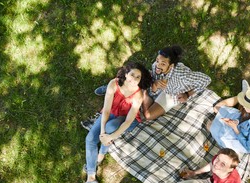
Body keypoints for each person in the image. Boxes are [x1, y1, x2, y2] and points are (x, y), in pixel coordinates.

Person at [81, 45, 211, 129]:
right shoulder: (156, 66)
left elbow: (206, 80)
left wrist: (188, 94)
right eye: (158, 60)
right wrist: (153, 87)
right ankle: (114, 87)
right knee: (135, 86)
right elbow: (152, 79)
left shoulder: (182, 75)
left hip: (171, 94)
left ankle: (112, 122)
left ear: (171, 66)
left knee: (147, 115)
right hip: (155, 87)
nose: (158, 65)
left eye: (163, 63)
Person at [76, 62, 152, 183]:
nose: (133, 79)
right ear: (126, 73)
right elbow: (105, 110)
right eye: (132, 74)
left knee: (110, 128)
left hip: (126, 119)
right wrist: (102, 133)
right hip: (111, 112)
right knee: (90, 139)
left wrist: (109, 137)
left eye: (138, 77)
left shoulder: (138, 95)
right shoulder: (114, 84)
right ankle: (91, 178)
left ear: (141, 79)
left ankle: (100, 156)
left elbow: (128, 121)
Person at [208, 80, 250, 155]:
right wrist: (235, 121)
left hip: (241, 139)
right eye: (243, 102)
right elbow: (243, 118)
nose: (243, 106)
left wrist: (236, 129)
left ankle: (243, 95)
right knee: (216, 108)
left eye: (246, 104)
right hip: (240, 125)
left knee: (210, 126)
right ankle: (243, 95)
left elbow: (248, 148)